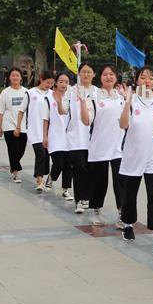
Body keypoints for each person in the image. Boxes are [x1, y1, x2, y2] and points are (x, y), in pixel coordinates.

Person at [117, 66, 153, 246]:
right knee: (130, 195)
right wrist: (128, 102)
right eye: (143, 77)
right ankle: (128, 224)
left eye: (151, 77)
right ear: (137, 80)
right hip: (133, 156)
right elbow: (123, 125)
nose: (147, 80)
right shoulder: (132, 100)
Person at [87, 64, 125, 227]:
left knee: (120, 183)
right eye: (105, 74)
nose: (108, 77)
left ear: (116, 77)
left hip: (119, 148)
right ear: (100, 77)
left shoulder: (122, 97)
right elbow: (87, 120)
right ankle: (96, 211)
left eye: (111, 74)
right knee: (98, 182)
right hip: (99, 147)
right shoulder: (94, 97)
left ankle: (121, 214)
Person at [67, 63, 97, 214]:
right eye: (83, 72)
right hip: (76, 138)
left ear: (94, 74)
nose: (86, 74)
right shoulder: (71, 91)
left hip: (93, 138)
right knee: (79, 169)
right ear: (79, 74)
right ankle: (79, 200)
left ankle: (88, 197)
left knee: (91, 170)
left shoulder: (99, 92)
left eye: (89, 72)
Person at [18, 71, 54, 192]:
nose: (49, 85)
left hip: (48, 131)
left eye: (51, 83)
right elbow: (21, 110)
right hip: (34, 130)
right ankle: (39, 180)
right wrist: (18, 127)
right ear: (41, 79)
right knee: (40, 154)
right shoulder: (30, 93)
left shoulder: (52, 94)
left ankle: (44, 177)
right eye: (47, 82)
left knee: (46, 155)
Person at [43, 73, 75, 201]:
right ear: (56, 83)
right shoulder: (48, 98)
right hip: (55, 135)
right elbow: (45, 119)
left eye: (66, 82)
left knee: (69, 164)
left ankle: (66, 189)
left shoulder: (71, 98)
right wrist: (44, 136)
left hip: (68, 136)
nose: (63, 84)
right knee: (59, 163)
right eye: (61, 81)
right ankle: (51, 178)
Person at [0, 68, 29, 183]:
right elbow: (0, 112)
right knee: (13, 148)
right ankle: (16, 172)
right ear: (9, 78)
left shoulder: (26, 92)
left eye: (17, 75)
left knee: (21, 148)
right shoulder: (5, 92)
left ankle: (14, 165)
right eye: (13, 75)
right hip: (8, 124)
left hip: (22, 125)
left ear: (21, 77)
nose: (15, 77)